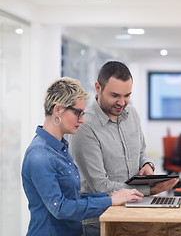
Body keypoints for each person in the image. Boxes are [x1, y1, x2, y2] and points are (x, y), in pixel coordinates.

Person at [21, 77, 143, 236]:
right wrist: (110, 201)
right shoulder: (40, 155)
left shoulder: (61, 148)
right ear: (58, 110)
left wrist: (110, 195)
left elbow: (73, 196)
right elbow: (60, 208)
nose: (82, 119)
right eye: (77, 113)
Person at [69, 61, 178, 235]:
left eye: (127, 95)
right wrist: (149, 190)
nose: (122, 102)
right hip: (100, 223)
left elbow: (142, 152)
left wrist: (148, 165)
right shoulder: (85, 126)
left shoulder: (132, 114)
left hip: (133, 214)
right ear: (98, 87)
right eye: (115, 95)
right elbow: (100, 185)